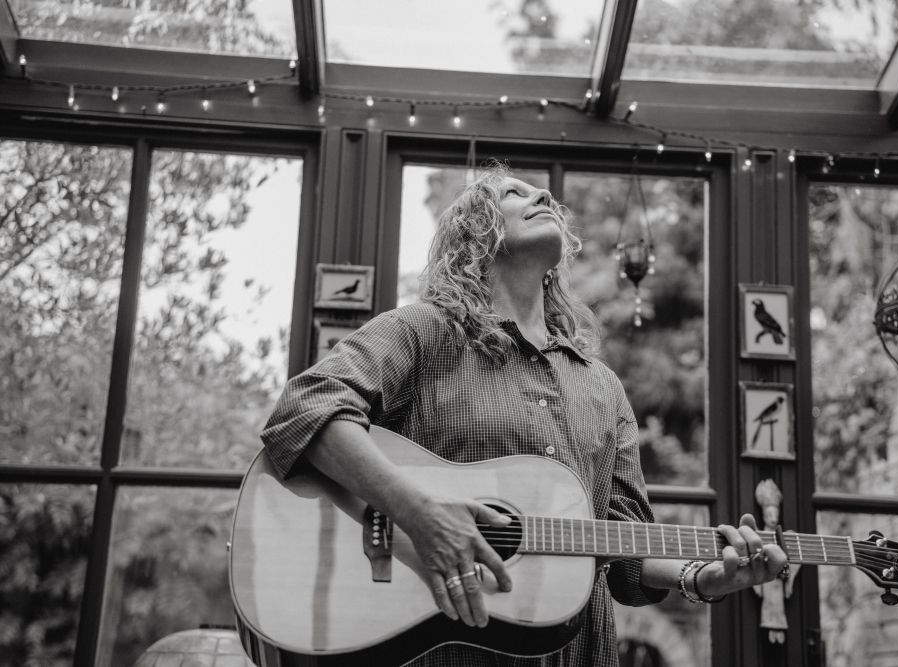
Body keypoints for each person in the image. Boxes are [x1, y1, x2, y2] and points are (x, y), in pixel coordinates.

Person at [260, 163, 788, 666]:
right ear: (475, 234)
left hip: (576, 651)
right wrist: (418, 513)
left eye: (544, 195)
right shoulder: (425, 331)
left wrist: (704, 578)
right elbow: (306, 406)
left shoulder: (600, 383)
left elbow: (627, 547)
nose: (542, 197)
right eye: (514, 193)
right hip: (447, 651)